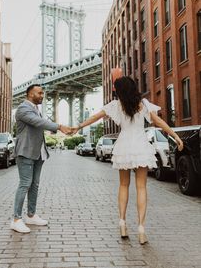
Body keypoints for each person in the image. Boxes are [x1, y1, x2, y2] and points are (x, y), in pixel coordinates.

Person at [72, 76, 183, 244]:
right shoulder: (143, 104)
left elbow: (95, 117)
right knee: (141, 188)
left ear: (119, 90)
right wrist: (175, 136)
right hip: (140, 146)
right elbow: (159, 121)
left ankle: (122, 223)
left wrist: (78, 127)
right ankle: (141, 229)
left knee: (123, 185)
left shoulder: (116, 106)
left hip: (124, 146)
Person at [10, 84, 72, 233]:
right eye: (40, 93)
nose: (43, 96)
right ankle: (16, 219)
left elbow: (40, 125)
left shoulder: (35, 109)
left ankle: (31, 215)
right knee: (25, 184)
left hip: (37, 152)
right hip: (25, 152)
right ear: (30, 94)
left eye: (43, 93)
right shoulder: (23, 109)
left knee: (35, 185)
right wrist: (59, 126)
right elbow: (39, 123)